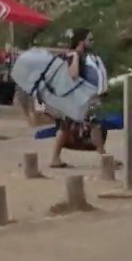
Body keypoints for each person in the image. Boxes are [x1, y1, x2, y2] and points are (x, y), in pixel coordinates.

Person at [50, 28, 110, 168]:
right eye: (90, 39)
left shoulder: (86, 57)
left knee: (90, 126)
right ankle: (105, 158)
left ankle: (105, 157)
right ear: (81, 41)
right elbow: (73, 75)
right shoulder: (74, 55)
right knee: (71, 127)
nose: (92, 42)